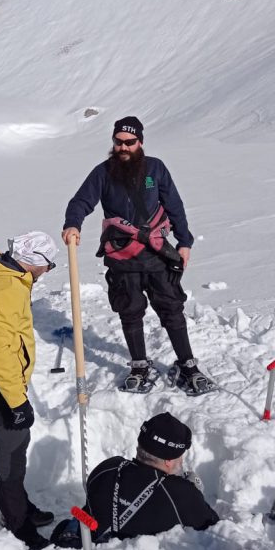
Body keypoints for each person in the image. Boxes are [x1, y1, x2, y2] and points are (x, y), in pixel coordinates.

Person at [62, 115, 215, 394]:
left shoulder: (155, 168)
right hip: (122, 256)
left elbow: (174, 205)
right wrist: (73, 224)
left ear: (140, 142)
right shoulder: (103, 173)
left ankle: (188, 365)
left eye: (130, 142)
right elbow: (81, 201)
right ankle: (139, 366)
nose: (123, 147)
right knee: (130, 311)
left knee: (171, 309)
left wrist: (184, 241)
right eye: (118, 141)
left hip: (156, 254)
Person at [0, 231, 58, 550]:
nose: (47, 271)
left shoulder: (7, 279)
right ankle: (17, 523)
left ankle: (20, 505)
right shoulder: (7, 289)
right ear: (32, 261)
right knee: (11, 458)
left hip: (1, 384)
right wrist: (17, 402)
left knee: (18, 450)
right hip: (0, 388)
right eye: (48, 264)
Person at [54, 412, 219, 545]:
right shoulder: (181, 494)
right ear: (168, 461)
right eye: (180, 457)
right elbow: (213, 526)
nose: (181, 461)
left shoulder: (107, 469)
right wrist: (195, 492)